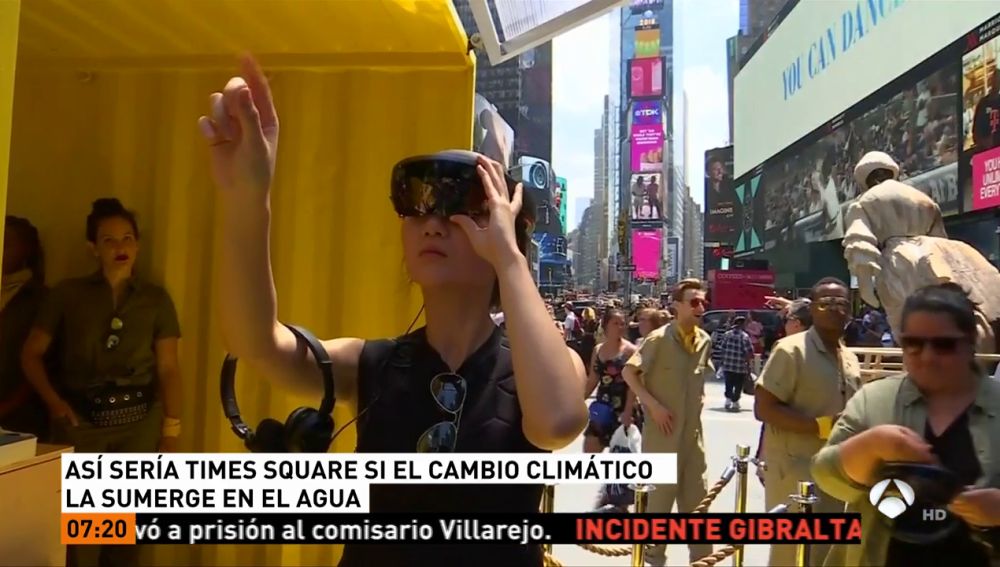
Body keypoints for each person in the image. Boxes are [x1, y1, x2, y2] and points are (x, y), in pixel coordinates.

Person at [197, 57, 588, 567]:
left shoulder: (543, 370)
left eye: (459, 210)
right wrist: (248, 198)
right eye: (416, 209)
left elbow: (557, 421)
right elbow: (257, 344)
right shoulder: (373, 364)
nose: (432, 224)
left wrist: (510, 258)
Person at [21, 198, 183, 567]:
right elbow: (31, 354)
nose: (120, 247)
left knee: (126, 533)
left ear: (138, 244)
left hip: (138, 424)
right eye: (109, 240)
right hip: (81, 423)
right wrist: (54, 403)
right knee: (76, 533)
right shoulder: (67, 295)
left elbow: (169, 369)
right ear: (93, 248)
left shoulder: (155, 300)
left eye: (127, 238)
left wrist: (171, 432)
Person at [812, 283, 1000, 567]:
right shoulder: (876, 400)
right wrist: (870, 446)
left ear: (971, 341)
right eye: (913, 344)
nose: (927, 356)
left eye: (943, 344)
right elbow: (826, 476)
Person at [842, 151, 1000, 353]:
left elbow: (859, 243)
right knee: (952, 312)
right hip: (937, 254)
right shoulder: (922, 198)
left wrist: (866, 287)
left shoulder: (864, 201)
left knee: (910, 325)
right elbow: (940, 236)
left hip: (898, 261)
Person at [754, 277, 862, 567]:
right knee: (792, 555)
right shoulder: (790, 350)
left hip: (836, 473)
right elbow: (764, 408)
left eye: (842, 303)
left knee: (826, 555)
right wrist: (823, 426)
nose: (835, 309)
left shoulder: (849, 358)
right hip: (795, 473)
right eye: (826, 303)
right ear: (812, 309)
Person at [623, 279, 713, 566]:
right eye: (694, 302)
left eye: (703, 302)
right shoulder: (659, 339)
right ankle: (652, 561)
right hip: (662, 438)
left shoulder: (704, 341)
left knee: (698, 508)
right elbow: (629, 373)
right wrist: (654, 406)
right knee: (657, 510)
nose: (701, 307)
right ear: (677, 306)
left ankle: (702, 561)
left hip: (692, 441)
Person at [754, 298, 811, 486]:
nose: (783, 323)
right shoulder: (829, 348)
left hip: (788, 448)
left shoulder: (786, 350)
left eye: (787, 320)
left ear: (795, 324)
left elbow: (766, 409)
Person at [0, 216, 49, 437]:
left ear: (25, 249)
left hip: (20, 417)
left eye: (6, 242)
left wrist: (8, 406)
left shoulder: (40, 298)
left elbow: (42, 361)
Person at [584, 309, 638, 453]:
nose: (620, 327)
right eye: (615, 323)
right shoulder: (598, 350)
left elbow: (634, 385)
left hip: (624, 408)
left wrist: (628, 411)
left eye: (622, 324)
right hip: (602, 406)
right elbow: (593, 379)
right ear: (605, 325)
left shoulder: (631, 351)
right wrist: (578, 401)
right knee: (590, 446)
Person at [718, 316, 753, 412]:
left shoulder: (727, 334)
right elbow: (748, 352)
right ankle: (735, 401)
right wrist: (749, 365)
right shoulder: (744, 336)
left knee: (728, 383)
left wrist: (722, 361)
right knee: (738, 385)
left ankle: (728, 400)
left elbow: (722, 348)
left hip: (728, 365)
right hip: (740, 366)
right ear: (742, 324)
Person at [972, 66, 1000, 151]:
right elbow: (975, 131)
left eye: (998, 81)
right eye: (994, 80)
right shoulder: (983, 104)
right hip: (985, 151)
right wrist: (983, 142)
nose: (996, 83)